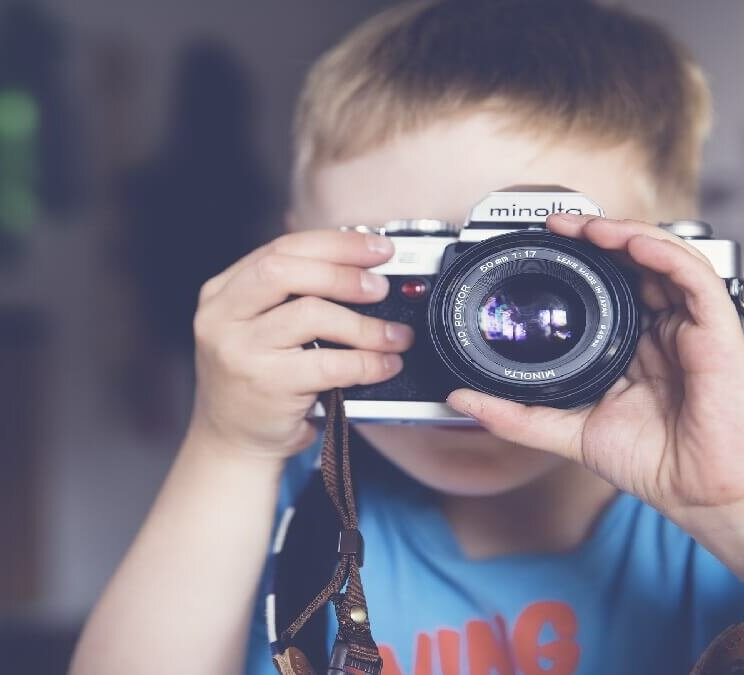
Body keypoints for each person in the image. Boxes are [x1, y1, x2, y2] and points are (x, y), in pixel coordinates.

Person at [69, 1, 744, 673]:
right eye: (414, 270)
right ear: (298, 258)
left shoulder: (710, 511)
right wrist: (229, 445)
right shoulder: (281, 506)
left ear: (671, 270)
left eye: (545, 276)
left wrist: (727, 506)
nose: (472, 349)